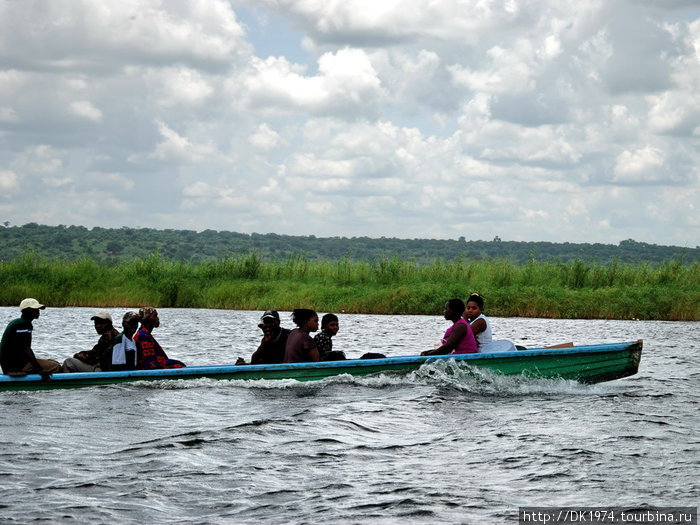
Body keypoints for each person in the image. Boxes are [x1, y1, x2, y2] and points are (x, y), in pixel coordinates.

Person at [0, 298, 61, 378]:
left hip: (17, 363)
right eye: (35, 309)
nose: (38, 312)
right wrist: (39, 370)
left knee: (54, 362)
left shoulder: (22, 323)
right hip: (16, 366)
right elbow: (26, 349)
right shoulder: (22, 324)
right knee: (56, 367)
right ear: (27, 311)